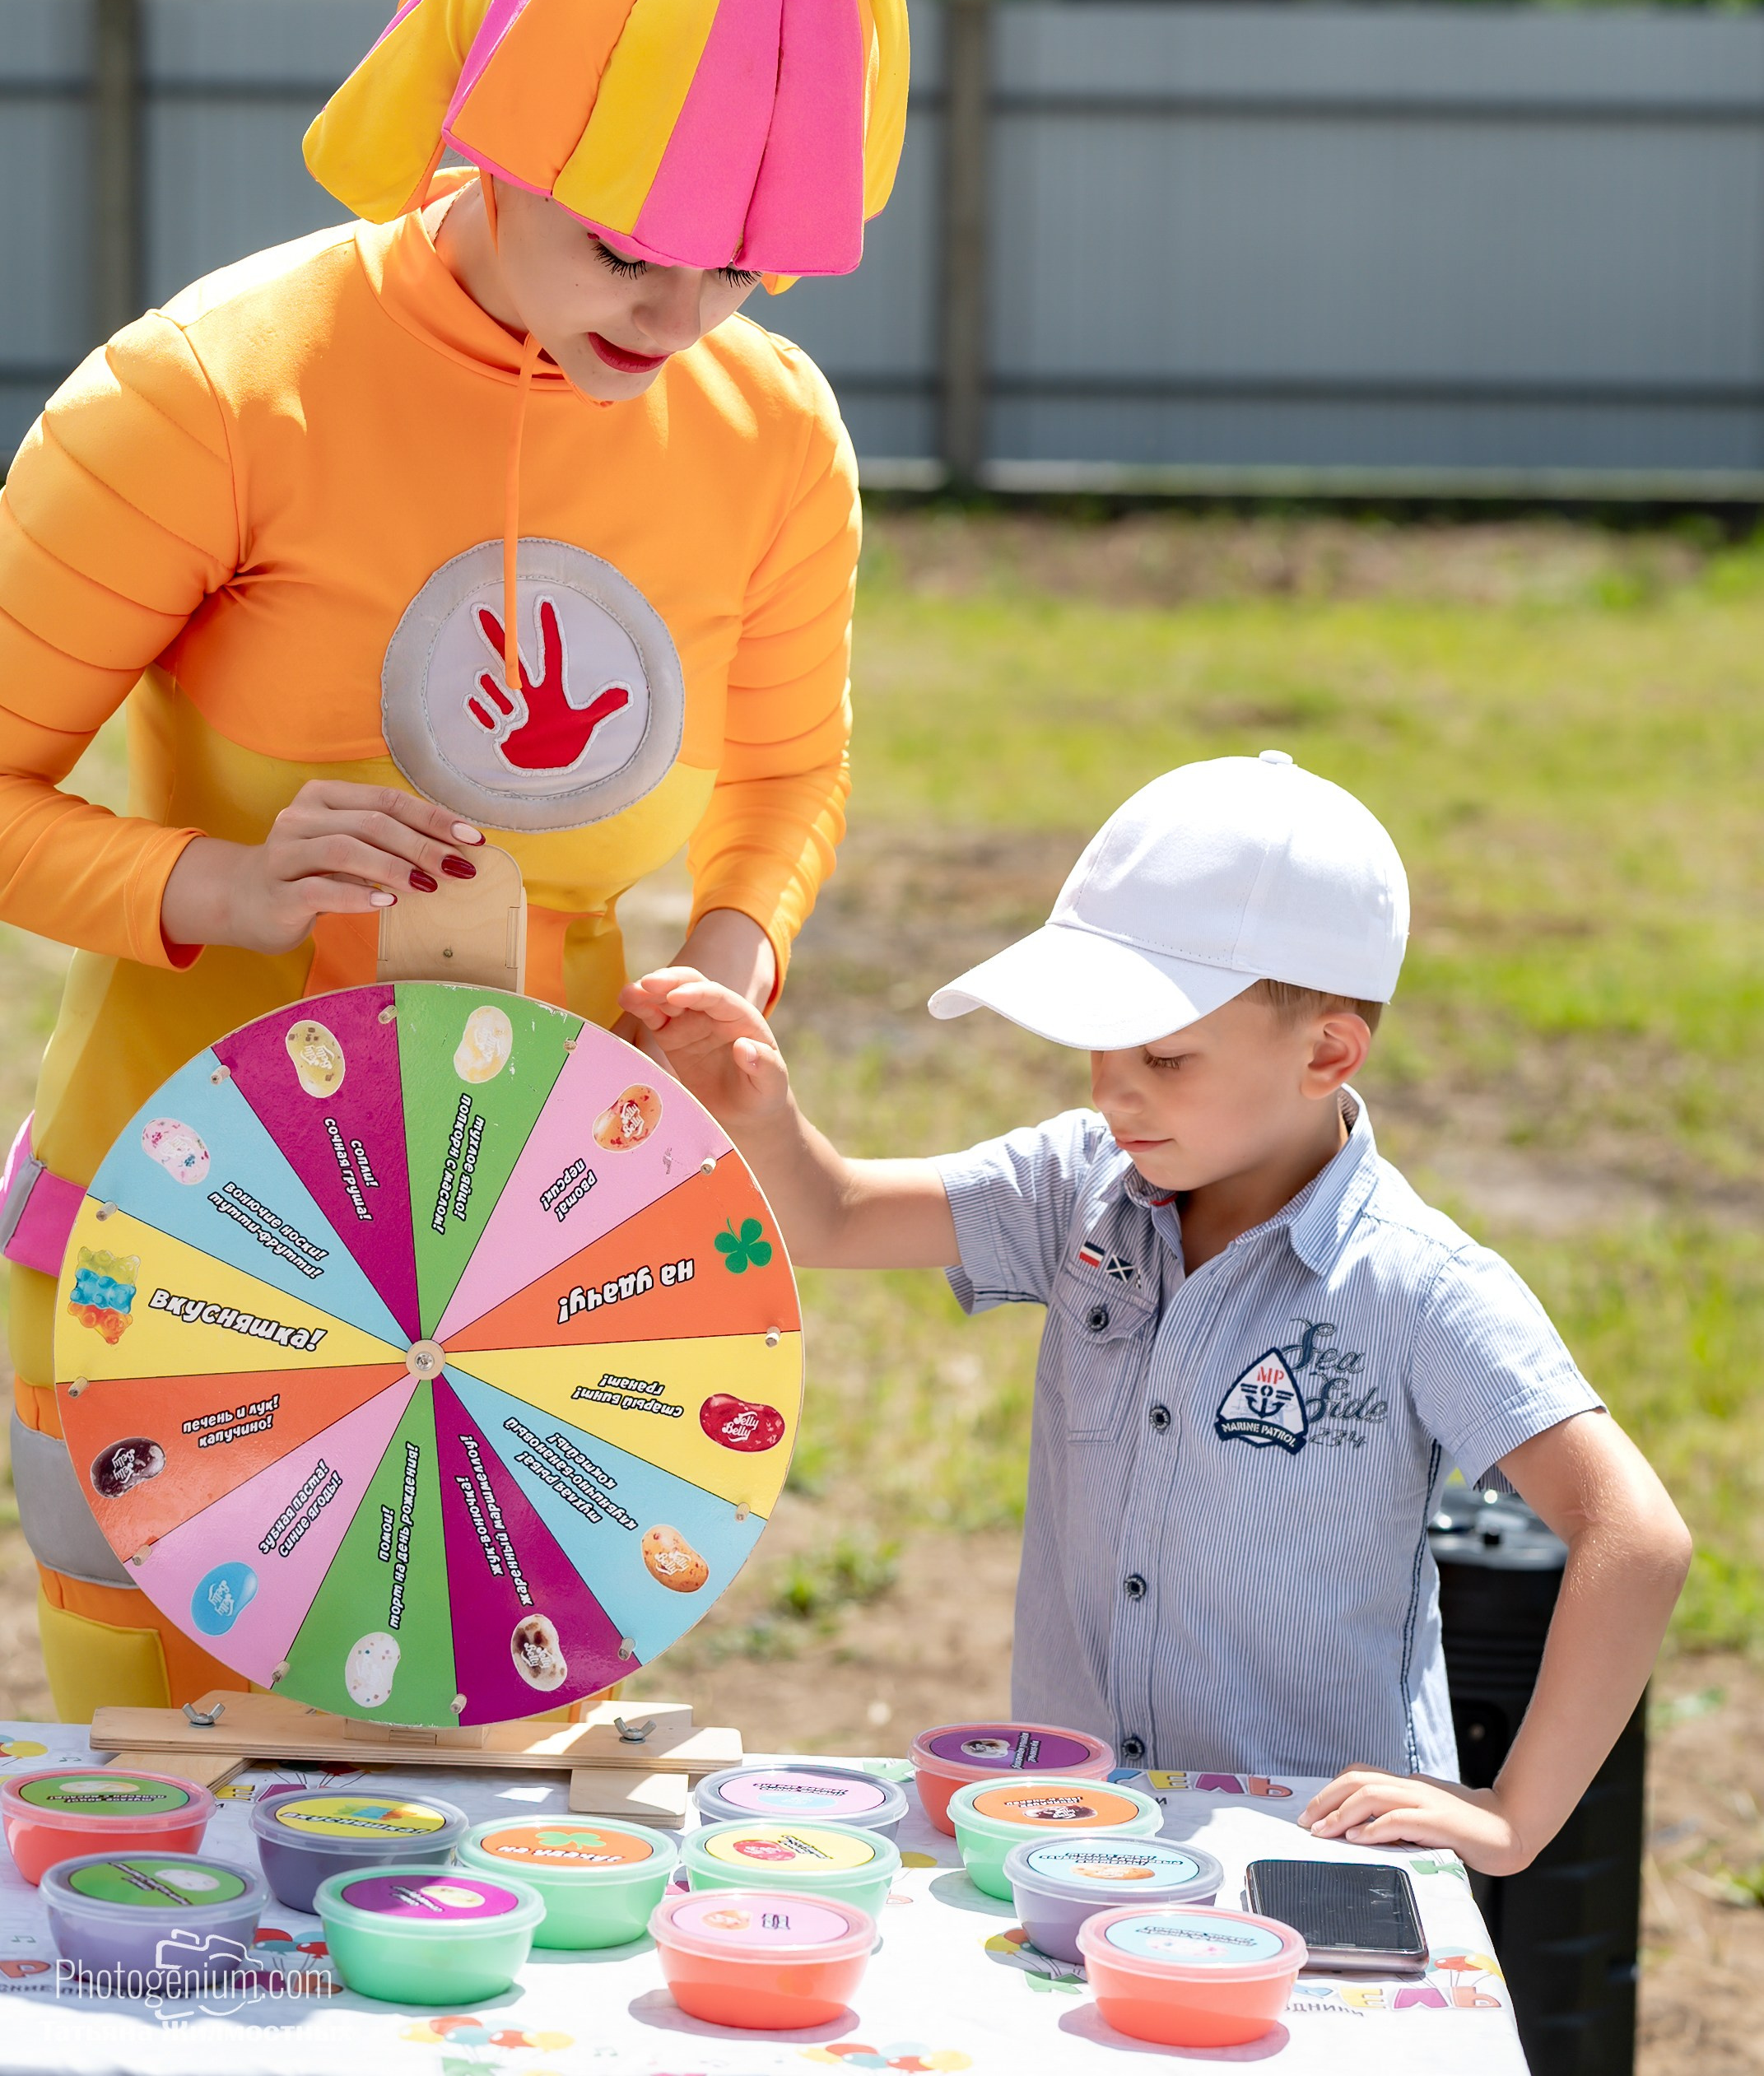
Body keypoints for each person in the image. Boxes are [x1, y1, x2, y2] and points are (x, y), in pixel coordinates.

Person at [0, 0, 952, 1716]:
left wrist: (733, 953)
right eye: (627, 242)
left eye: (741, 261)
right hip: (178, 1229)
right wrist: (220, 893)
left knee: (491, 1871)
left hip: (561, 1243)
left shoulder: (773, 427)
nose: (680, 307)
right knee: (163, 1858)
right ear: (496, 126)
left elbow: (788, 776)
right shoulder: (214, 391)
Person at [623, 751, 1692, 1875]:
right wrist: (763, 1113)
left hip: (1316, 1859)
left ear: (1327, 1049)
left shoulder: (1414, 1283)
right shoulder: (1077, 1184)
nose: (1111, 1089)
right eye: (1099, 1045)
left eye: (1166, 1056)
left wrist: (1513, 1814)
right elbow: (834, 1217)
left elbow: (1636, 1535)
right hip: (1077, 1829)